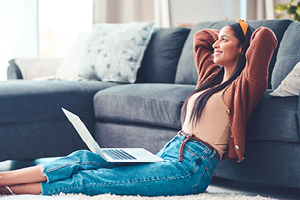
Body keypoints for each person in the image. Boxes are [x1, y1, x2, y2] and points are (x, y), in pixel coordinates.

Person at [0, 20, 277, 196]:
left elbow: (265, 38)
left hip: (190, 169)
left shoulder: (245, 86)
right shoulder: (210, 78)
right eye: (220, 39)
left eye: (225, 41)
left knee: (93, 180)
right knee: (86, 158)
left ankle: (11, 190)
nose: (216, 44)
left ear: (243, 49)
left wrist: (244, 30)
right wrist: (228, 36)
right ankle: (3, 178)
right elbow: (202, 38)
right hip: (169, 152)